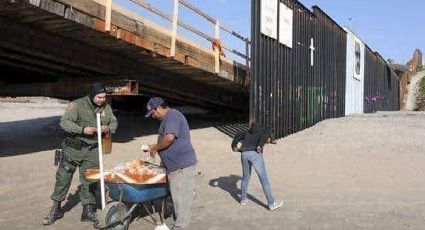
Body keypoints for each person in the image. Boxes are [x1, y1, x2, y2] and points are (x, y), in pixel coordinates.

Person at [42, 83, 118, 225]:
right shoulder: (77, 105)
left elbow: (114, 123)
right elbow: (64, 123)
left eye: (104, 97)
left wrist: (107, 128)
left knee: (89, 180)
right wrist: (82, 130)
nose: (102, 100)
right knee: (63, 178)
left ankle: (88, 211)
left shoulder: (106, 108)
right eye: (99, 97)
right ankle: (56, 209)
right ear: (92, 95)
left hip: (93, 151)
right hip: (73, 150)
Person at [145, 97, 197, 230]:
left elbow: (169, 138)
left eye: (153, 113)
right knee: (176, 197)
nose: (153, 116)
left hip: (182, 165)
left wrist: (156, 148)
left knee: (182, 200)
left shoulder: (172, 116)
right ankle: (177, 223)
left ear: (159, 108)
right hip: (175, 165)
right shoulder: (168, 118)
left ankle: (180, 227)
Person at [231, 122, 283, 211]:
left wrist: (234, 146)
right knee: (264, 179)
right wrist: (261, 145)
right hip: (255, 154)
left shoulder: (247, 132)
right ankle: (271, 203)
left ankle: (243, 199)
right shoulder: (264, 131)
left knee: (245, 177)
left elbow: (237, 135)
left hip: (244, 153)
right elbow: (267, 135)